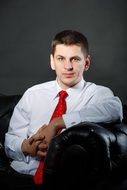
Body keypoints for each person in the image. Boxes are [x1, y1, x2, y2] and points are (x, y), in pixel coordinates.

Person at [4, 30, 123, 190]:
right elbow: (10, 139)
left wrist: (58, 123)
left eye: (75, 59)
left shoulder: (97, 94)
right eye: (61, 59)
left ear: (86, 63)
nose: (68, 66)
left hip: (65, 182)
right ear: (52, 61)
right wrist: (26, 146)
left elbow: (115, 110)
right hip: (19, 175)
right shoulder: (33, 94)